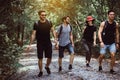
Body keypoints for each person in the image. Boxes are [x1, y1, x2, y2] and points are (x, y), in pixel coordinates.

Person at [26, 10, 57, 77]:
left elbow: (53, 31)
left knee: (49, 57)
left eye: (45, 15)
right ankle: (41, 71)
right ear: (39, 15)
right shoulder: (36, 23)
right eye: (43, 15)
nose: (44, 16)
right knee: (40, 58)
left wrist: (55, 39)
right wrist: (30, 44)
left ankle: (46, 66)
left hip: (48, 42)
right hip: (40, 43)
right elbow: (33, 34)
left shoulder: (49, 22)